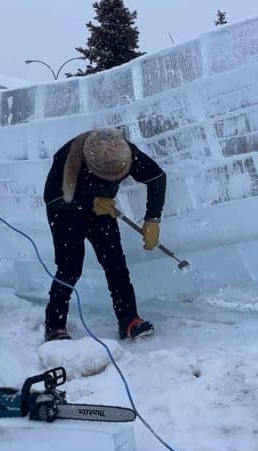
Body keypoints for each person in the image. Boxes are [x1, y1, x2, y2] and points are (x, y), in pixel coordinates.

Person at [42, 128, 167, 342]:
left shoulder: (125, 151)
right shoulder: (67, 157)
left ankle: (128, 320)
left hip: (102, 211)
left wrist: (152, 219)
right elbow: (51, 197)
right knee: (69, 268)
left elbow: (157, 177)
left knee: (115, 264)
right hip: (65, 212)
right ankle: (55, 325)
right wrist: (89, 203)